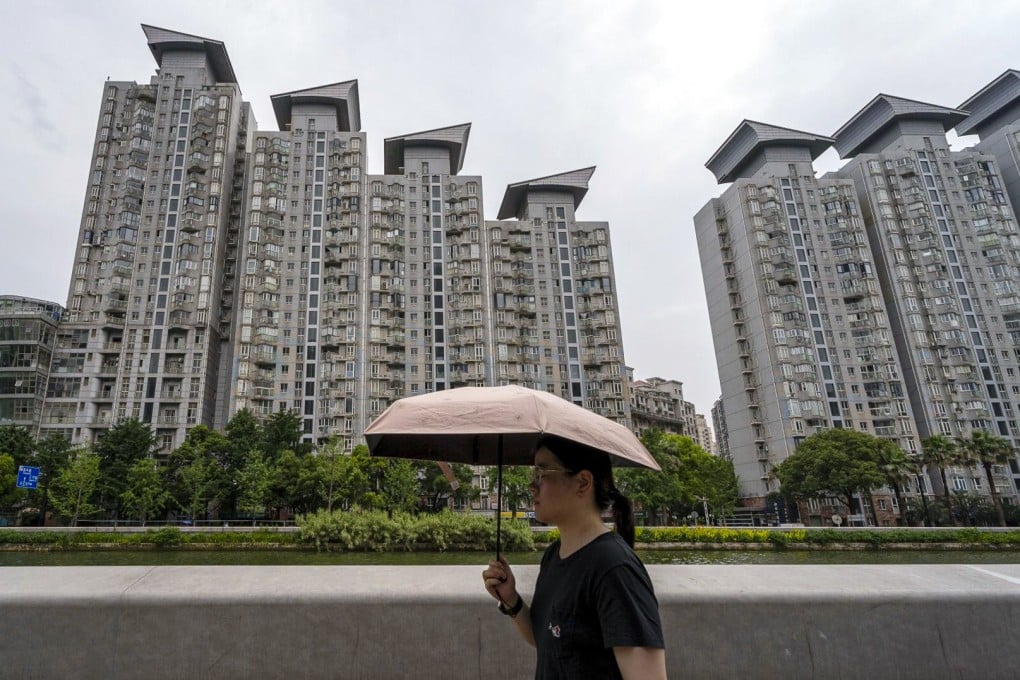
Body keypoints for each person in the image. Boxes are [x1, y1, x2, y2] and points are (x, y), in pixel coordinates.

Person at [482, 438, 667, 679]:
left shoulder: (614, 568)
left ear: (582, 482)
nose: (531, 486)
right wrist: (511, 600)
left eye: (541, 474)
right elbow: (546, 639)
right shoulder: (553, 555)